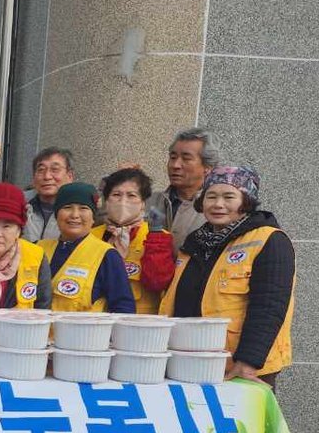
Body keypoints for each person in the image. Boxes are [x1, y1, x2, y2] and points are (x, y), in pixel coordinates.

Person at [160, 165, 294, 387]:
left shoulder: (269, 240)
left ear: (246, 201)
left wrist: (248, 362)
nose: (218, 204)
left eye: (229, 197)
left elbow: (269, 306)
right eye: (211, 196)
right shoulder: (195, 242)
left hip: (241, 367)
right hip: (191, 360)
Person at [39, 182, 136, 313]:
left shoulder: (107, 255)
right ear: (56, 215)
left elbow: (123, 307)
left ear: (93, 218)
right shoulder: (38, 249)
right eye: (67, 207)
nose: (75, 215)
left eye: (83, 208)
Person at [90, 168, 175, 314]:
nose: (123, 201)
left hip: (139, 322)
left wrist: (155, 234)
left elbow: (157, 282)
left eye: (131, 195)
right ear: (107, 201)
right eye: (116, 195)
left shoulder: (157, 236)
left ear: (143, 203)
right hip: (96, 321)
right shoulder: (91, 235)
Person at [0, 143, 76, 242]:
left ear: (70, 176)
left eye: (55, 169)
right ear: (33, 177)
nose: (47, 176)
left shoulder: (78, 210)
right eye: (41, 170)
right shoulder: (18, 201)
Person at [147, 127, 221, 250]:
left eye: (186, 159)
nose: (175, 165)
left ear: (208, 167)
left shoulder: (217, 209)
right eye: (173, 157)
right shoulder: (148, 201)